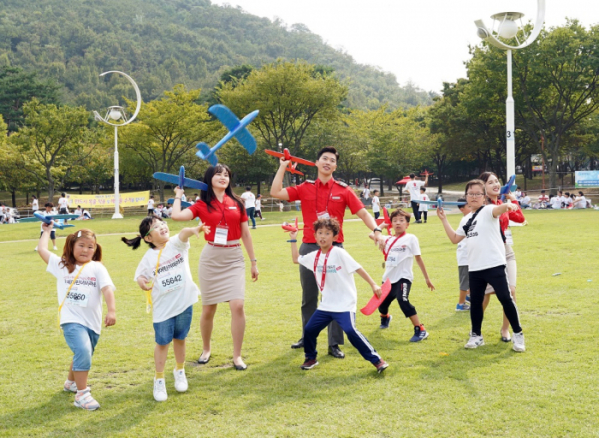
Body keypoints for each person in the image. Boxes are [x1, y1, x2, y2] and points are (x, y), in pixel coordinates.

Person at [270, 146, 386, 358]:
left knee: (337, 296)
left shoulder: (343, 190)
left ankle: (334, 344)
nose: (327, 162)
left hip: (335, 250)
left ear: (335, 165)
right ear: (316, 162)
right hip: (309, 248)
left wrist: (376, 230)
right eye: (324, 158)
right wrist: (283, 168)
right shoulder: (305, 187)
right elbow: (275, 192)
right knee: (309, 297)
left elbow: (362, 213)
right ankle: (308, 336)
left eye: (332, 160)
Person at [171, 164, 258, 371]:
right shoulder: (202, 204)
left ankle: (237, 356)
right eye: (218, 174)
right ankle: (206, 349)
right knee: (209, 308)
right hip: (211, 258)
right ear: (209, 179)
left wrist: (253, 262)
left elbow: (246, 234)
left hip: (234, 257)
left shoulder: (238, 202)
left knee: (237, 305)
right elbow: (176, 216)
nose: (222, 177)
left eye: (226, 175)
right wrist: (178, 195)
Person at [123, 216, 208, 402]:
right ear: (147, 238)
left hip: (184, 303)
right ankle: (159, 379)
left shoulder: (176, 245)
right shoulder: (148, 258)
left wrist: (195, 230)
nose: (162, 227)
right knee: (162, 343)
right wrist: (142, 283)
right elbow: (140, 276)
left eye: (163, 223)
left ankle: (180, 370)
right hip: (163, 308)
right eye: (156, 226)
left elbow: (183, 234)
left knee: (180, 338)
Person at [288, 218, 389, 373]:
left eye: (327, 233)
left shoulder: (339, 253)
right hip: (327, 304)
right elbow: (296, 259)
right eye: (320, 233)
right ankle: (310, 358)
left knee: (350, 331)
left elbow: (358, 268)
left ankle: (377, 361)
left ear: (335, 237)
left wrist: (373, 284)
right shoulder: (313, 256)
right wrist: (293, 239)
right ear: (315, 236)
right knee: (309, 330)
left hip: (344, 303)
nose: (322, 236)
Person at [437, 179, 525, 352]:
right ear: (466, 197)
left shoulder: (488, 210)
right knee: (476, 303)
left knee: (505, 299)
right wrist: (444, 220)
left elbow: (498, 209)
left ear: (484, 197)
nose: (474, 197)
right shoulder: (466, 219)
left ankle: (518, 333)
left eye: (478, 193)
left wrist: (508, 205)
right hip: (475, 268)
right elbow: (455, 239)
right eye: (471, 194)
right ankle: (476, 335)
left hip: (494, 264)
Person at [37, 225, 116, 410]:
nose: (86, 250)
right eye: (81, 245)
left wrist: (111, 310)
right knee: (82, 350)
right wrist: (47, 231)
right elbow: (42, 249)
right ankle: (82, 395)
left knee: (84, 352)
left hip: (93, 322)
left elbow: (107, 289)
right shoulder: (62, 265)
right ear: (72, 246)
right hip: (71, 320)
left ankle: (71, 383)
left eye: (91, 247)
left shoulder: (97, 267)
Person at [369, 209, 435, 341]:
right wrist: (382, 226)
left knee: (402, 300)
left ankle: (420, 329)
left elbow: (418, 258)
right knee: (381, 305)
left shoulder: (411, 238)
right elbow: (371, 234)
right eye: (394, 221)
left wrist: (427, 279)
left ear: (407, 224)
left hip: (403, 277)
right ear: (391, 224)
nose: (398, 223)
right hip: (388, 279)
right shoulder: (386, 239)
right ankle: (385, 317)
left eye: (401, 220)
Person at [479, 172, 526, 342]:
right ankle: (475, 330)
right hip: (487, 253)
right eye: (490, 182)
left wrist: (512, 200)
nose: (495, 184)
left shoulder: (502, 203)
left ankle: (505, 329)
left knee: (511, 291)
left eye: (496, 181)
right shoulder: (481, 206)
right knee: (483, 297)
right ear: (483, 187)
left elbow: (520, 218)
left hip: (505, 250)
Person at [455, 199, 471, 311]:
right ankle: (460, 305)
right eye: (468, 206)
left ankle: (468, 296)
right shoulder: (466, 219)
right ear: (462, 209)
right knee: (464, 283)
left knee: (470, 281)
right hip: (465, 256)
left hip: (468, 255)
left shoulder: (467, 218)